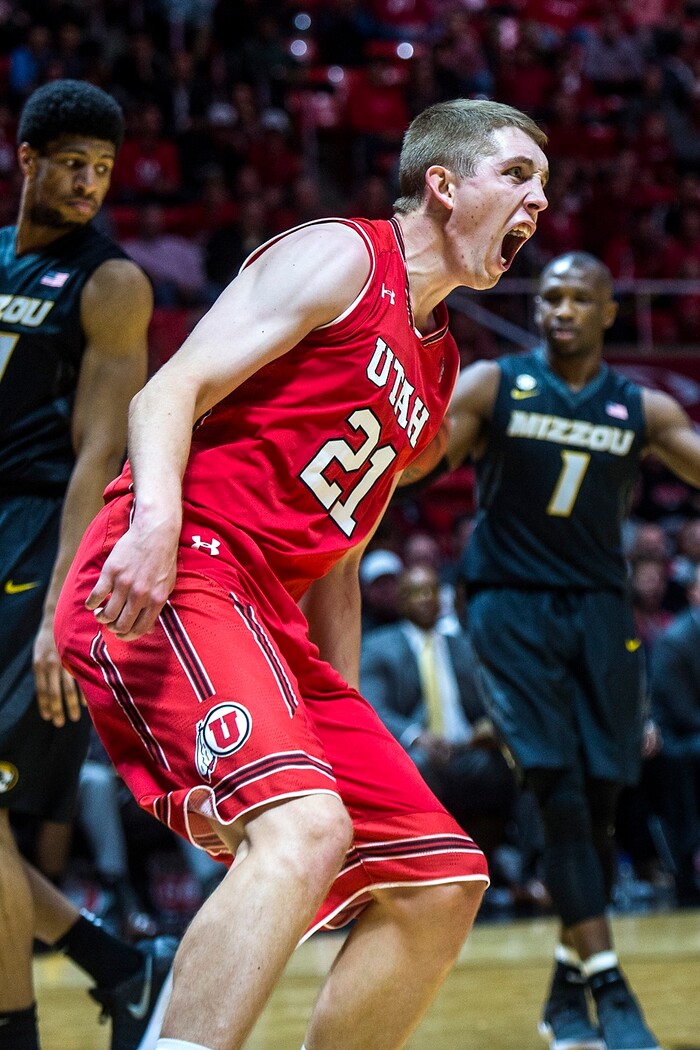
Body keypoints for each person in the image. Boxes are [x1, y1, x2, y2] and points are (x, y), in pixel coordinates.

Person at [54, 98, 549, 1050]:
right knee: (307, 830)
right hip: (179, 568)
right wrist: (155, 520)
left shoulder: (438, 365)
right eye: (517, 176)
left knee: (439, 885)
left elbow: (343, 558)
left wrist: (338, 712)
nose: (536, 203)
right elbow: (171, 390)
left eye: (545, 188)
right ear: (443, 187)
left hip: (269, 621)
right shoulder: (343, 255)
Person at [446, 250, 700, 1050]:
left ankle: (565, 997)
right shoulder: (496, 385)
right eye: (549, 296)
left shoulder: (642, 408)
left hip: (599, 608)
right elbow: (419, 457)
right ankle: (609, 987)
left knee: (599, 797)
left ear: (607, 311)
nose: (560, 308)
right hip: (507, 605)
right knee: (556, 788)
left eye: (578, 297)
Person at [0, 79, 177, 1050]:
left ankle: (19, 1027)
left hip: (37, 535)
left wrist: (58, 606)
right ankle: (121, 966)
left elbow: (98, 452)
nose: (89, 182)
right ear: (26, 160)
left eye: (103, 169)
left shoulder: (111, 284)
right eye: (72, 162)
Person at [360, 563, 518, 865]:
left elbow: (495, 700)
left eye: (430, 590)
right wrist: (418, 737)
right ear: (401, 600)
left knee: (524, 765)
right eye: (415, 592)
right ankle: (432, 868)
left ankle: (528, 874)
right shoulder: (379, 647)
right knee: (417, 768)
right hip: (422, 756)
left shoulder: (464, 646)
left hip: (469, 751)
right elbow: (372, 707)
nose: (424, 598)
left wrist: (489, 725)